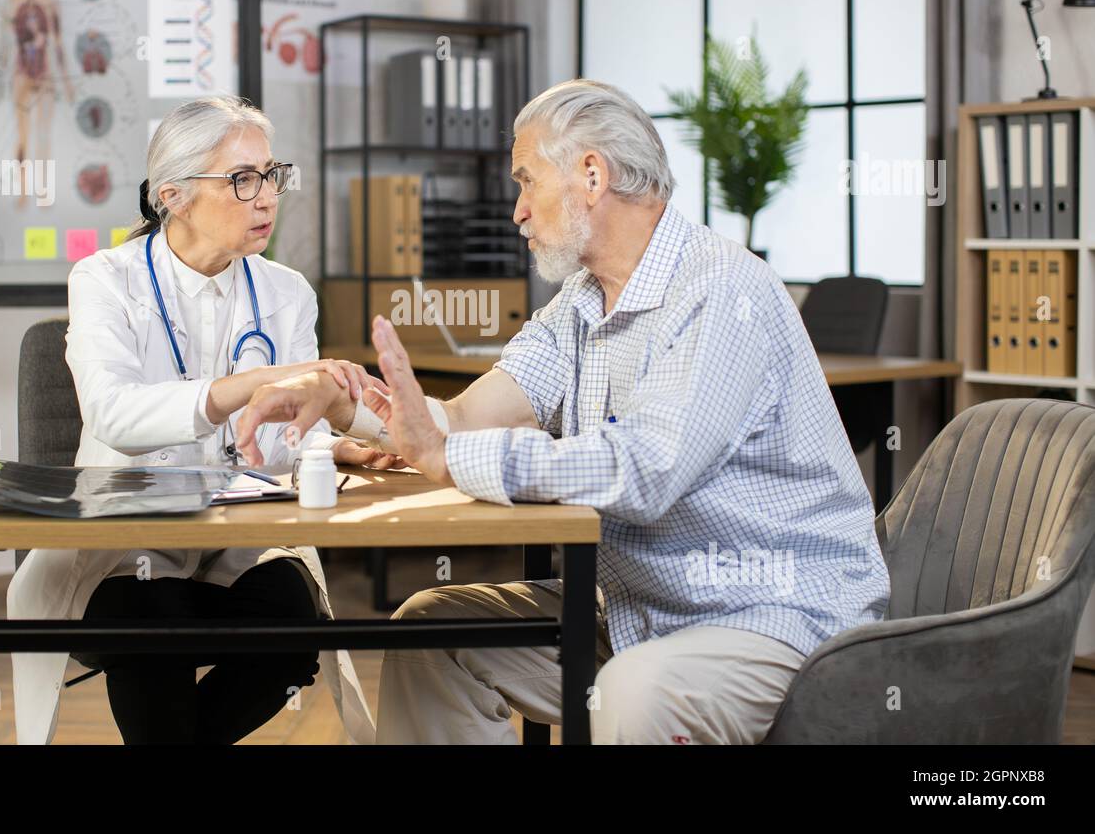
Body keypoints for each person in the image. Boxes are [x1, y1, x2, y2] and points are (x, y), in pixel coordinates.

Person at [232, 78, 892, 744]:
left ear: (592, 174)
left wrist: (448, 455)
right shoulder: (580, 302)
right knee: (434, 632)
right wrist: (349, 405)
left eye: (526, 182)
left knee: (634, 693)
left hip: (771, 615)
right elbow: (462, 420)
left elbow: (647, 473)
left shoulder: (722, 289)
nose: (517, 211)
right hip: (643, 609)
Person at [7, 95, 401, 745]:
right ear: (175, 196)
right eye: (243, 180)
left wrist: (327, 442)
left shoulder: (286, 292)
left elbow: (278, 440)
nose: (267, 197)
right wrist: (242, 387)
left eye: (272, 176)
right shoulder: (105, 279)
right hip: (124, 543)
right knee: (148, 618)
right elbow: (115, 414)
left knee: (293, 625)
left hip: (239, 538)